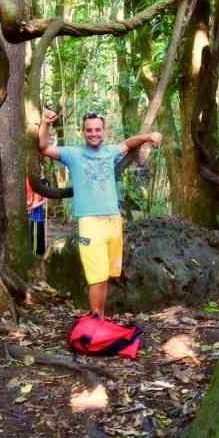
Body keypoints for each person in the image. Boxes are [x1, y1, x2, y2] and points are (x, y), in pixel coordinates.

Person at [39, 109, 162, 318]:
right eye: (89, 130)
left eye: (97, 130)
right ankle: (96, 320)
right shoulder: (73, 154)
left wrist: (149, 137)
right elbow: (43, 147)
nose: (93, 133)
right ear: (82, 132)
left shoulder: (110, 151)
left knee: (105, 275)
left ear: (103, 131)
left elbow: (129, 143)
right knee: (96, 276)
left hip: (113, 220)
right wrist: (45, 123)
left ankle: (100, 317)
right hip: (90, 222)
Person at [25, 176, 47, 255]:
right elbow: (32, 205)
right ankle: (36, 253)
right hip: (35, 218)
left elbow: (43, 201)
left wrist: (40, 203)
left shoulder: (40, 192)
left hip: (39, 218)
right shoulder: (33, 192)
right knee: (36, 236)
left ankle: (39, 252)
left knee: (39, 236)